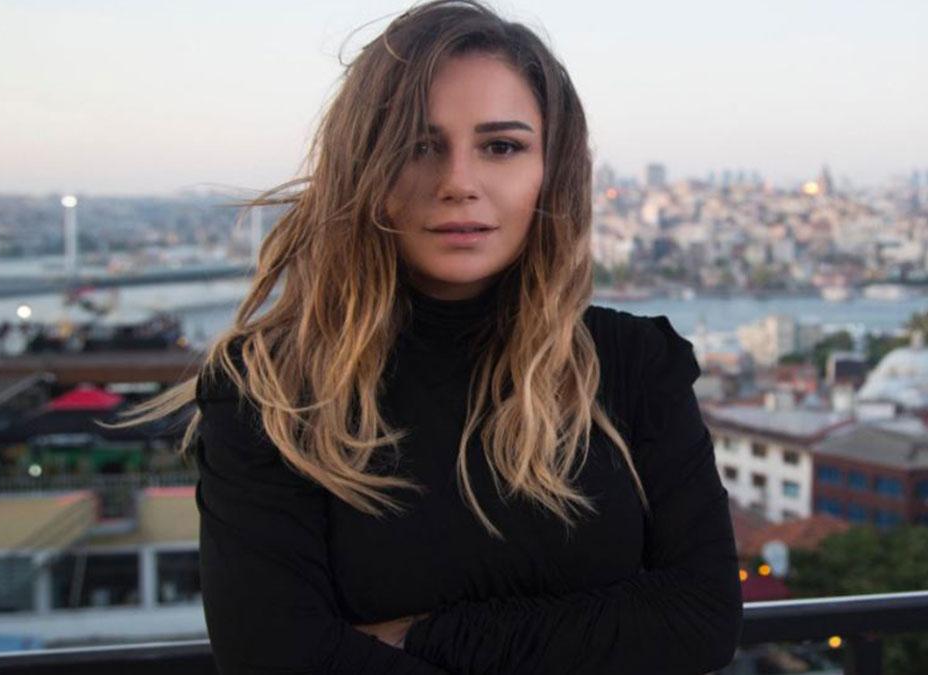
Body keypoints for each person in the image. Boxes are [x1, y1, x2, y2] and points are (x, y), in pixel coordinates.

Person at [117, 1, 743, 672]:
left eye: (501, 147)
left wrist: (416, 638)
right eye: (418, 146)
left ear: (552, 169)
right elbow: (274, 657)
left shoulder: (633, 364)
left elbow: (700, 618)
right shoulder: (271, 391)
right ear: (363, 167)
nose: (458, 183)